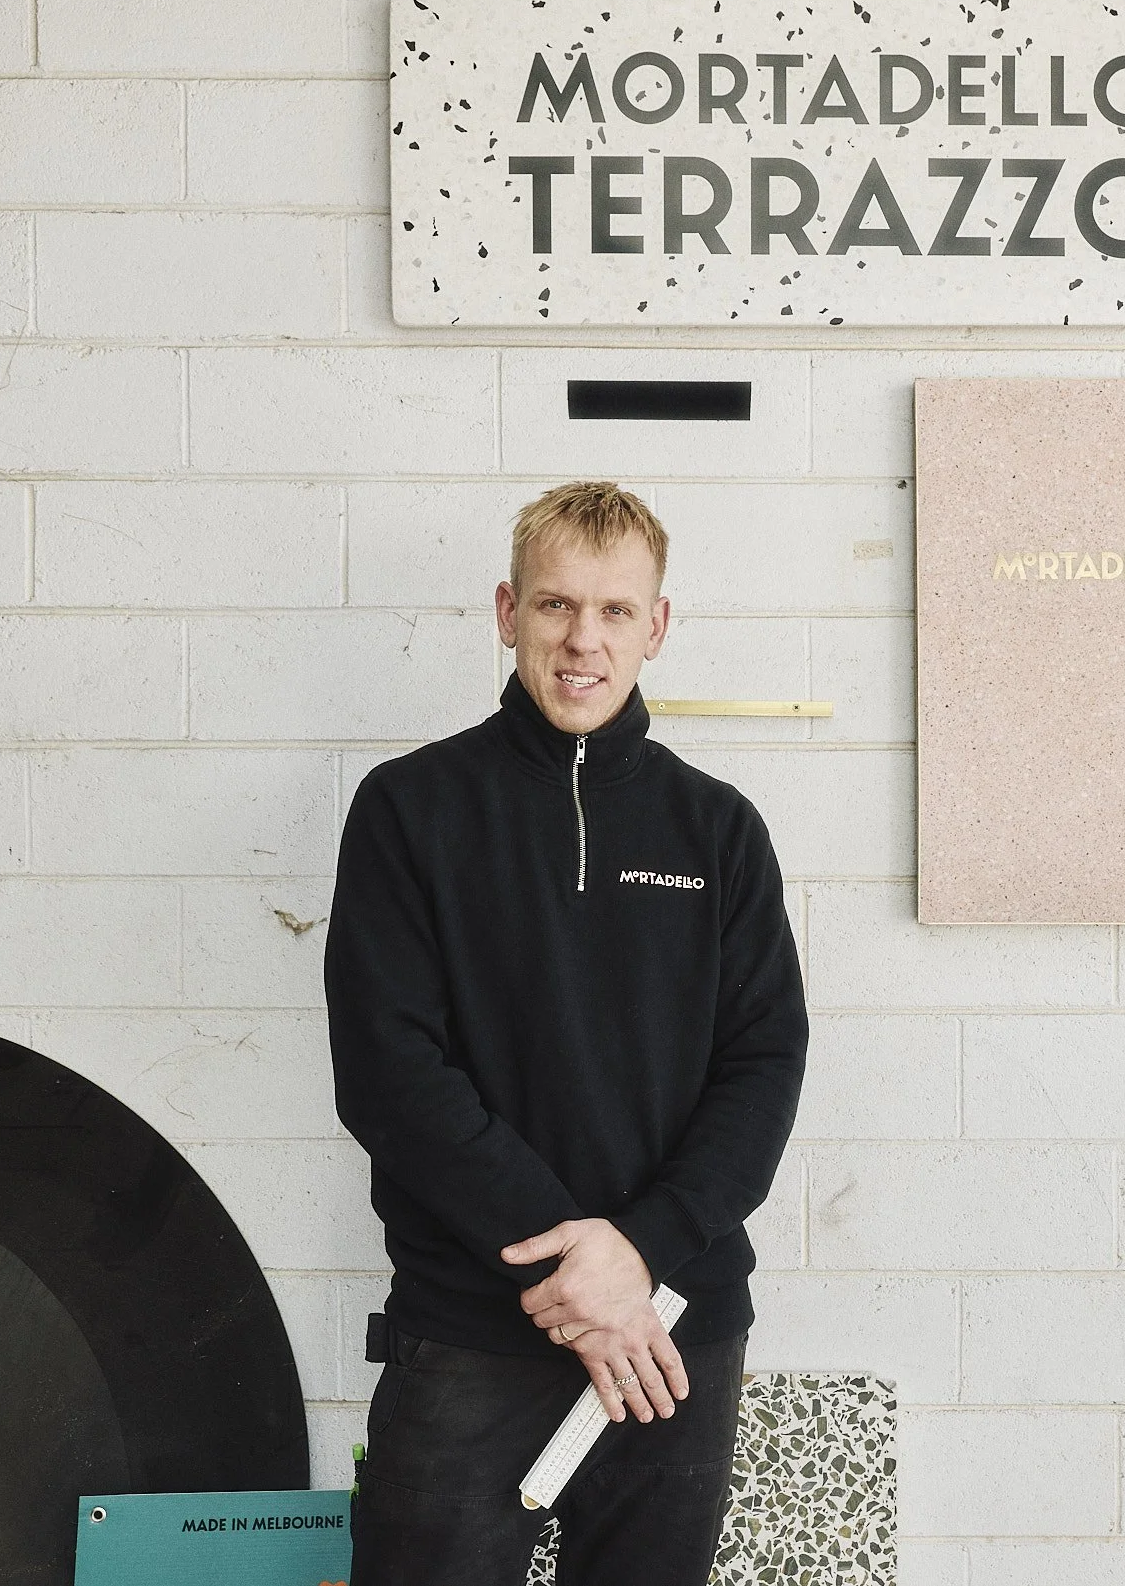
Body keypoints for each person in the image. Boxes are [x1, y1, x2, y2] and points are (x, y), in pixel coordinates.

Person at [328, 481, 809, 1585]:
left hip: (669, 1331)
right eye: (555, 605)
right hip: (472, 1328)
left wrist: (635, 1255)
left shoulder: (720, 830)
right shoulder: (410, 808)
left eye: (614, 610)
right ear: (508, 612)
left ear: (656, 625)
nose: (583, 639)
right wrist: (576, 1269)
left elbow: (762, 1068)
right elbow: (391, 1075)